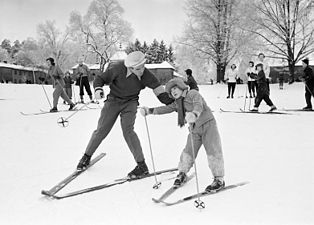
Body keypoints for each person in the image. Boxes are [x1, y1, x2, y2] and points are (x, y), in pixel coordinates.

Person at [76, 51, 174, 178]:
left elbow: (160, 92)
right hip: (113, 101)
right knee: (102, 130)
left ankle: (142, 165)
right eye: (138, 69)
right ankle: (86, 157)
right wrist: (98, 89)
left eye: (143, 66)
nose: (142, 70)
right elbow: (100, 78)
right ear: (130, 67)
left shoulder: (146, 75)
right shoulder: (117, 68)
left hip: (130, 102)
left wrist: (173, 103)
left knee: (128, 131)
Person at [140, 78, 225, 192]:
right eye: (171, 91)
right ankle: (182, 173)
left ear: (181, 87)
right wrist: (150, 111)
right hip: (194, 129)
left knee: (213, 151)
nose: (173, 92)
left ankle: (219, 179)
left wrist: (194, 114)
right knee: (188, 151)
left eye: (175, 88)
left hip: (208, 125)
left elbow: (198, 104)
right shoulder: (178, 103)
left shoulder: (193, 93)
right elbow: (166, 108)